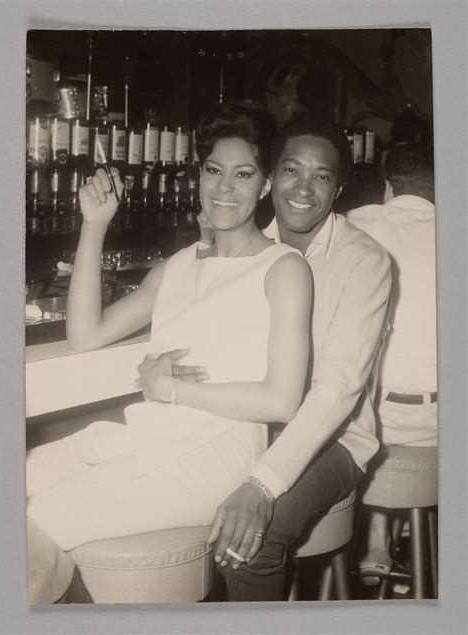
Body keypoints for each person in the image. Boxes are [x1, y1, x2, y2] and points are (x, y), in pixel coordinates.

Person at [25, 101, 313, 554]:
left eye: (243, 175)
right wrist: (94, 225)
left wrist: (172, 389)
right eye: (214, 170)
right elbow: (84, 335)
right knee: (23, 472)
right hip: (148, 434)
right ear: (199, 175)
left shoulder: (283, 268)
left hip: (214, 451)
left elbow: (283, 401)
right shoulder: (176, 267)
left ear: (265, 185)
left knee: (37, 521)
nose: (224, 187)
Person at [161, 114, 392, 600]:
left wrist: (263, 485)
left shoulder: (365, 261)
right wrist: (155, 366)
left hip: (334, 437)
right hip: (247, 421)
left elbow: (337, 390)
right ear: (270, 179)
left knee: (250, 542)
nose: (303, 188)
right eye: (291, 170)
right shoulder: (243, 244)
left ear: (339, 187)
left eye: (322, 176)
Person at [345, 144, 437, 579]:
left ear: (387, 189)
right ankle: (389, 538)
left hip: (376, 430)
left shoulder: (357, 223)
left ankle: (375, 538)